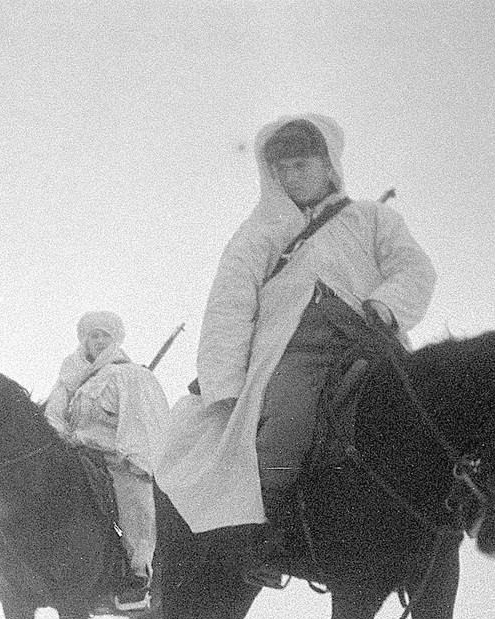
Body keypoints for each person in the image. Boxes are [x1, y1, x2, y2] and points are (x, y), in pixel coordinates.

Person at [155, 113, 436, 586]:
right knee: (285, 421)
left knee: (423, 412)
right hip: (295, 349)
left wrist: (386, 307)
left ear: (329, 165)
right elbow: (230, 304)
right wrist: (223, 381)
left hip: (366, 337)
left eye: (303, 165)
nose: (292, 176)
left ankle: (439, 517)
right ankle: (271, 534)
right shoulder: (258, 234)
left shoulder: (372, 218)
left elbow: (414, 270)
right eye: (282, 168)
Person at [42, 311, 170, 611]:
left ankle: (137, 574)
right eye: (93, 335)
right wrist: (61, 436)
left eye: (105, 336)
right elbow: (52, 415)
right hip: (73, 453)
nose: (98, 341)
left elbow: (140, 423)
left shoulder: (130, 375)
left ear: (115, 340)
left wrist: (131, 457)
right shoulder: (71, 378)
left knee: (133, 493)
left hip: (114, 456)